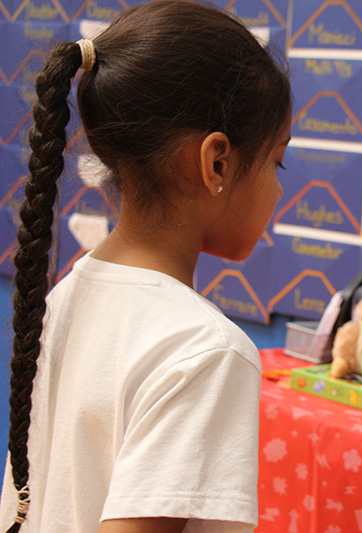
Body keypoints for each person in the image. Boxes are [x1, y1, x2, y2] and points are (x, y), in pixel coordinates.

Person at [0, 0, 291, 530]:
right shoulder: (206, 351)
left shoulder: (66, 298)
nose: (278, 188)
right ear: (217, 162)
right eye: (277, 161)